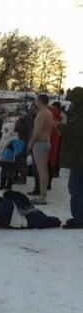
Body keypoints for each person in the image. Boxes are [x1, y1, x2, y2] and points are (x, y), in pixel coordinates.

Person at [60, 87, 83, 229]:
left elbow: (77, 132)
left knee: (76, 189)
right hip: (78, 157)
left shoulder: (80, 113)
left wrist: (62, 128)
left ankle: (79, 218)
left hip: (79, 158)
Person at [28, 94, 53, 205]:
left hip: (40, 143)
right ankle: (43, 194)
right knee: (44, 171)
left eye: (36, 100)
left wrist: (30, 144)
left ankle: (42, 198)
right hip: (46, 142)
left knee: (41, 171)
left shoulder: (42, 114)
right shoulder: (48, 113)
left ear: (40, 101)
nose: (35, 102)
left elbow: (37, 132)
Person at [13, 109, 33, 184]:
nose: (20, 115)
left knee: (22, 161)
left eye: (21, 113)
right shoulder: (20, 120)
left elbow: (21, 129)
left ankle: (22, 178)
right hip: (19, 142)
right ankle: (17, 177)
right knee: (17, 160)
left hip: (23, 142)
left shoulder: (26, 120)